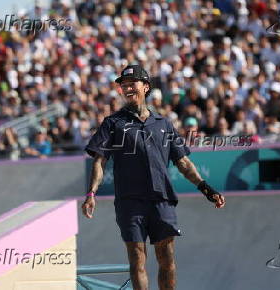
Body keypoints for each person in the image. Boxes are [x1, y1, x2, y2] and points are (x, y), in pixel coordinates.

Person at [81, 65, 226, 290]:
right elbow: (99, 160)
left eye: (132, 83)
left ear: (145, 87)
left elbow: (183, 162)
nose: (127, 88)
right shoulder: (112, 123)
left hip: (161, 199)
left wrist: (206, 188)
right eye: (124, 85)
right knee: (137, 258)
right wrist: (91, 193)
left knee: (166, 259)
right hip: (130, 202)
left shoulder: (163, 123)